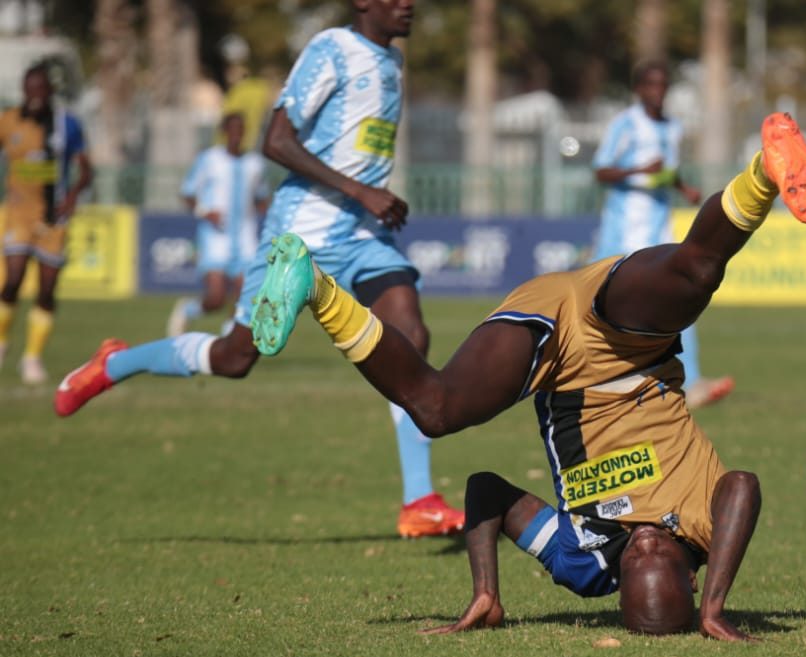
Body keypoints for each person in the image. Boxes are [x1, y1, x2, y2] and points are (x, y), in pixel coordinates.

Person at [249, 113, 806, 640]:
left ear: (620, 584)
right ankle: (765, 170)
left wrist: (486, 592)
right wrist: (716, 610)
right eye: (662, 558)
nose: (647, 545)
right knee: (697, 272)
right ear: (693, 578)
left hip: (554, 346)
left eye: (635, 563)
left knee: (435, 410)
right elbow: (743, 485)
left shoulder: (585, 563)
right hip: (628, 339)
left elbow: (488, 493)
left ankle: (316, 288)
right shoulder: (703, 529)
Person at [54, 0, 464, 537]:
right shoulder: (331, 50)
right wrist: (360, 189)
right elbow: (276, 140)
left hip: (365, 234)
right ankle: (115, 364)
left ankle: (420, 500)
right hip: (304, 232)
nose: (407, 4)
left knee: (411, 336)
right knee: (234, 356)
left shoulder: (392, 61)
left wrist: (368, 197)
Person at [592, 60, 733, 410]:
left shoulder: (672, 127)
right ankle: (599, 379)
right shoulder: (625, 124)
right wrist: (640, 169)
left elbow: (667, 172)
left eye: (663, 85)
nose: (658, 92)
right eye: (651, 85)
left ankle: (692, 380)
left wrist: (684, 188)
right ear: (639, 88)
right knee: (602, 307)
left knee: (681, 296)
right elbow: (601, 171)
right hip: (624, 229)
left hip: (659, 226)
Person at [0, 62, 93, 384]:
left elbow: (86, 168)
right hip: (19, 212)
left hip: (54, 217)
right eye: (29, 90)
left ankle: (32, 358)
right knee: (12, 278)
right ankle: (1, 341)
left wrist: (73, 197)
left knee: (47, 288)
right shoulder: (9, 119)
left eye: (40, 90)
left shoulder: (66, 124)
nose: (34, 96)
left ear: (50, 91)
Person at [167, 112, 270, 337]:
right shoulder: (209, 159)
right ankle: (188, 309)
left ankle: (228, 341)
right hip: (215, 238)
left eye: (240, 130)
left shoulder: (254, 163)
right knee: (216, 298)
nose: (236, 135)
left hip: (245, 238)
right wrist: (205, 212)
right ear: (224, 132)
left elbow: (261, 197)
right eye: (232, 130)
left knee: (245, 295)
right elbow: (188, 193)